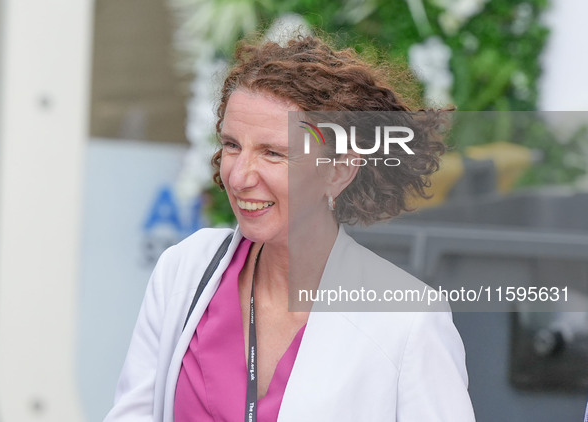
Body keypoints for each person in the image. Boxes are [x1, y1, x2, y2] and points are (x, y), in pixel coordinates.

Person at [104, 34, 475, 421]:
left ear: (339, 170)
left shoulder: (408, 319)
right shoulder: (184, 268)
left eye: (273, 153)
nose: (239, 176)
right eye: (232, 145)